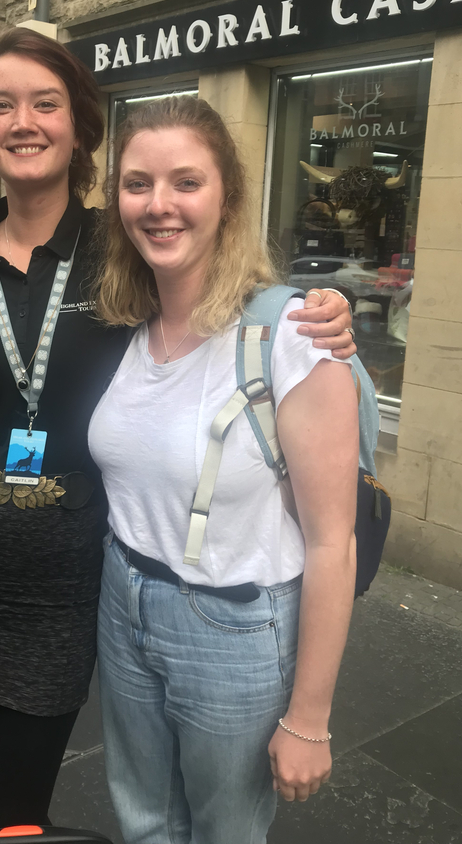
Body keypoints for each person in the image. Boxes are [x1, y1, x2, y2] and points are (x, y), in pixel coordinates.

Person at [0, 27, 356, 842]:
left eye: (45, 103)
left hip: (63, 580)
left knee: (23, 816)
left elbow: (221, 283)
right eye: (1, 104)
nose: (23, 121)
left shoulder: (121, 246)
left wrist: (317, 311)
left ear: (77, 126)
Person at [87, 96, 360, 844]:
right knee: (143, 818)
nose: (159, 205)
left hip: (232, 626)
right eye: (138, 183)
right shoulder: (130, 326)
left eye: (186, 182)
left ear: (227, 198)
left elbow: (334, 542)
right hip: (124, 597)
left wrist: (310, 720)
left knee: (223, 833)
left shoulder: (293, 337)